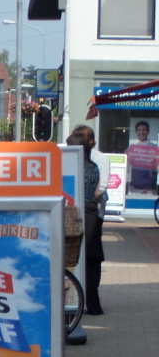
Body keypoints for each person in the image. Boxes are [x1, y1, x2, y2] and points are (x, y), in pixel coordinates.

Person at [68, 125, 105, 315]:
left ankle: (71, 301)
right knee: (91, 260)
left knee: (70, 256)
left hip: (71, 212)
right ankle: (93, 304)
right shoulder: (94, 167)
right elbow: (97, 192)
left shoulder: (69, 166)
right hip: (91, 213)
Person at [126, 120, 158, 195]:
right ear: (136, 132)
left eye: (144, 129)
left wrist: (150, 188)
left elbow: (154, 170)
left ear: (148, 132)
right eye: (139, 130)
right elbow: (128, 169)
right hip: (134, 189)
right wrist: (130, 184)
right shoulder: (131, 148)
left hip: (149, 190)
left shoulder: (154, 148)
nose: (141, 132)